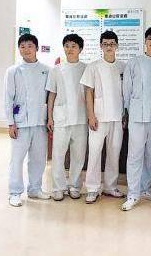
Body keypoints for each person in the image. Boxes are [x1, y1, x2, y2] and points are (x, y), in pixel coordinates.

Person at [4, 33, 51, 207]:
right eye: (22, 46)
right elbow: (8, 98)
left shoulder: (46, 70)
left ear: (36, 48)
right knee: (17, 159)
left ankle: (35, 189)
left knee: (38, 159)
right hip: (21, 122)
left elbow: (50, 97)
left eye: (30, 46)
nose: (26, 49)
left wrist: (50, 119)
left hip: (40, 122)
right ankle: (15, 192)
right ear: (19, 49)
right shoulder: (13, 71)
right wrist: (11, 123)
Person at [80, 30, 126, 204]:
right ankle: (92, 189)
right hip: (98, 117)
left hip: (117, 117)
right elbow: (88, 92)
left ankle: (110, 187)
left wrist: (125, 114)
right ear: (100, 46)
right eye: (105, 44)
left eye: (112, 44)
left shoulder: (123, 67)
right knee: (94, 153)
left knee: (114, 153)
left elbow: (126, 93)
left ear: (117, 46)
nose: (109, 46)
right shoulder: (93, 66)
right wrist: (91, 115)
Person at [121, 27, 151, 211]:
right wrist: (126, 111)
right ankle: (132, 193)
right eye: (150, 38)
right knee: (134, 155)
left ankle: (145, 188)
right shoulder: (134, 62)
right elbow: (126, 89)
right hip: (136, 115)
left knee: (150, 155)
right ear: (145, 41)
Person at [46, 34, 88, 201]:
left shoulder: (86, 68)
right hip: (61, 118)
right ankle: (58, 187)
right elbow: (51, 95)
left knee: (79, 155)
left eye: (74, 46)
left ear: (80, 49)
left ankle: (75, 186)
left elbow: (90, 94)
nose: (70, 49)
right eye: (67, 46)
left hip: (81, 118)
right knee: (58, 155)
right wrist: (50, 117)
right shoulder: (56, 69)